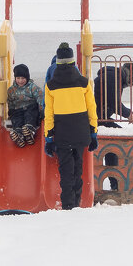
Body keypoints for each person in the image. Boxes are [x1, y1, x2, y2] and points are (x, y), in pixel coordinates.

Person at [43, 42, 98, 210]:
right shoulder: (83, 82)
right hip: (81, 132)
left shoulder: (51, 86)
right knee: (78, 168)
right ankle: (77, 201)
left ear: (57, 63)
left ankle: (68, 206)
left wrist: (48, 137)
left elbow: (49, 114)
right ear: (73, 62)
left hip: (62, 134)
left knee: (66, 171)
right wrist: (93, 132)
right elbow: (91, 108)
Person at [94, 62, 133, 128]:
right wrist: (129, 114)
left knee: (120, 133)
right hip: (95, 118)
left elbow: (112, 103)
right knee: (121, 135)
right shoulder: (113, 77)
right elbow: (115, 104)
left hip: (99, 116)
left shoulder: (116, 77)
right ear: (131, 75)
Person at [5, 64, 44, 147]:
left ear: (27, 78)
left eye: (23, 78)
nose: (20, 81)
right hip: (18, 110)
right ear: (15, 78)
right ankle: (18, 134)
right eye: (18, 78)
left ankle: (29, 130)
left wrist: (42, 113)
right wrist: (11, 112)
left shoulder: (33, 88)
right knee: (17, 118)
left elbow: (40, 99)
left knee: (30, 115)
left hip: (30, 108)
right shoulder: (11, 90)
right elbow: (10, 102)